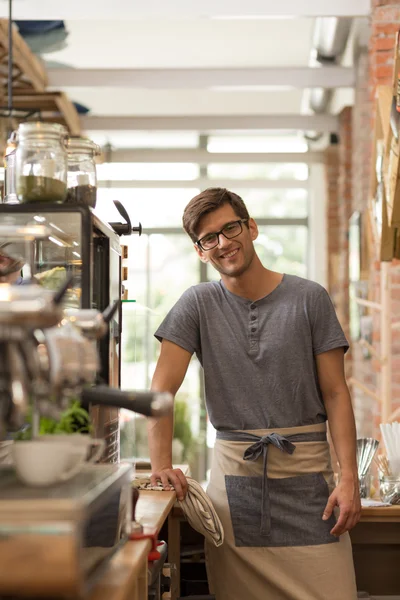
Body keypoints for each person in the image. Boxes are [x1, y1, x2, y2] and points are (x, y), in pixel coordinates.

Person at [147, 187, 360, 600]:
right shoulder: (197, 303)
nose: (224, 242)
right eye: (210, 238)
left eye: (231, 228)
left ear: (252, 228)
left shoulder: (310, 298)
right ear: (200, 251)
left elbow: (336, 392)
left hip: (313, 492)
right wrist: (161, 465)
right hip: (235, 494)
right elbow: (161, 390)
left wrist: (348, 475)